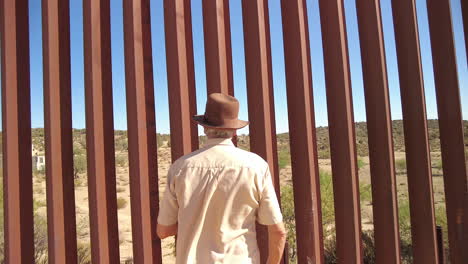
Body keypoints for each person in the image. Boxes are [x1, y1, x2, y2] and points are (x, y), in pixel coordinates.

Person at [157, 93, 286, 264]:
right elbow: (278, 232)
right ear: (233, 130)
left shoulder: (181, 167)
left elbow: (164, 231)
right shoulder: (256, 166)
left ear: (204, 127)